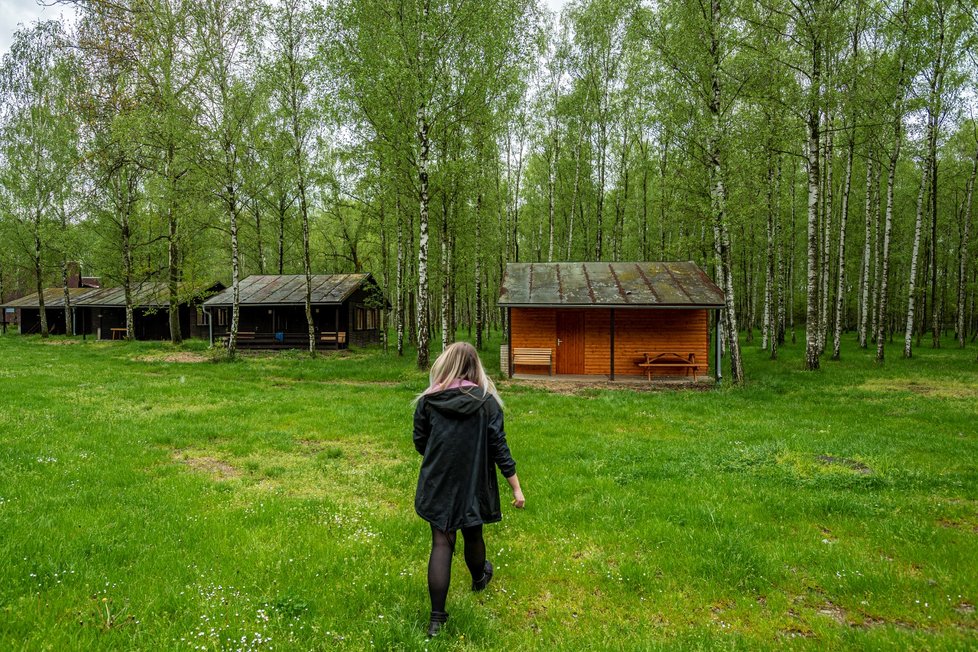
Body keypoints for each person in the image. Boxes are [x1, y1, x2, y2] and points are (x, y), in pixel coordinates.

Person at [413, 341, 525, 637]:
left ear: (446, 364)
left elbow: (420, 442)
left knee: (441, 542)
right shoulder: (486, 402)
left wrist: (439, 459)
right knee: (473, 532)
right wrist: (516, 488)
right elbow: (498, 446)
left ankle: (437, 620)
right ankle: (479, 577)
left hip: (438, 482)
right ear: (476, 366)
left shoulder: (428, 401)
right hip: (474, 481)